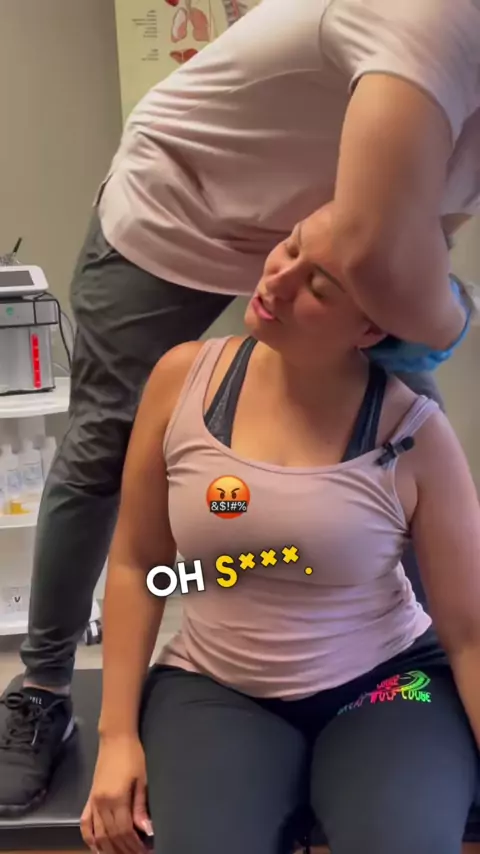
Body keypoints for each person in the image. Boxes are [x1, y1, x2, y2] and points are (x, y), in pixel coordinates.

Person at [0, 0, 479, 815]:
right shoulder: (437, 17)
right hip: (187, 208)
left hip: (324, 248)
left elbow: (423, 234)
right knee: (108, 441)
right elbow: (383, 260)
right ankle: (43, 687)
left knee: (401, 441)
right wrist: (453, 317)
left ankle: (425, 694)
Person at [81, 205, 480, 854]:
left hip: (387, 683)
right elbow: (139, 564)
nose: (277, 281)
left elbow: (469, 633)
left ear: (371, 327)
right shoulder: (183, 380)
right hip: (215, 686)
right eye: (290, 248)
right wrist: (116, 737)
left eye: (318, 285)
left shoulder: (414, 435)